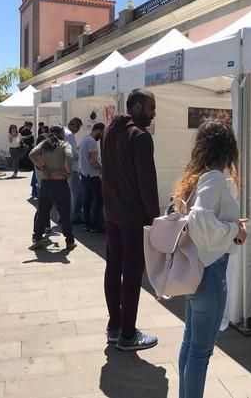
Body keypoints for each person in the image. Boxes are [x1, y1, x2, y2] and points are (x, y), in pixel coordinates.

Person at [172, 118, 247, 398]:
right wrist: (234, 230)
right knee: (200, 351)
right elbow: (201, 219)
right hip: (210, 270)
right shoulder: (214, 177)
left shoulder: (199, 176)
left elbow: (200, 218)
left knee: (191, 344)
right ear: (227, 147)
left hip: (198, 269)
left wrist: (230, 226)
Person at [101, 88, 160, 351]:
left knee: (114, 268)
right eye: (150, 107)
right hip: (132, 217)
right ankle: (127, 334)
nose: (153, 113)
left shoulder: (108, 131)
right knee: (132, 273)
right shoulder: (140, 136)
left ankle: (114, 326)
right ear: (136, 106)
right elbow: (147, 183)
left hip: (112, 212)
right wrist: (154, 218)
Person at [28, 125, 76, 251]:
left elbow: (32, 154)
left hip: (46, 182)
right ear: (61, 133)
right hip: (60, 182)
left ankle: (37, 238)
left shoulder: (45, 144)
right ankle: (69, 241)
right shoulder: (64, 144)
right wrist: (67, 170)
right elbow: (70, 156)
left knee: (43, 212)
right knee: (65, 213)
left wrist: (42, 167)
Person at [80, 122, 105, 233]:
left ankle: (87, 224)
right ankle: (95, 224)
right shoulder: (91, 142)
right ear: (99, 130)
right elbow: (93, 160)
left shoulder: (84, 139)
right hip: (92, 175)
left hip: (84, 174)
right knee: (99, 199)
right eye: (102, 133)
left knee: (88, 200)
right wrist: (101, 169)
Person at [64, 118, 84, 224]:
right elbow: (73, 153)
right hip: (71, 167)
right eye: (78, 128)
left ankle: (63, 215)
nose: (78, 130)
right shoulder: (70, 135)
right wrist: (78, 152)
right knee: (77, 193)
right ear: (74, 126)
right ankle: (74, 216)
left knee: (65, 193)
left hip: (62, 166)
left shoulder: (62, 132)